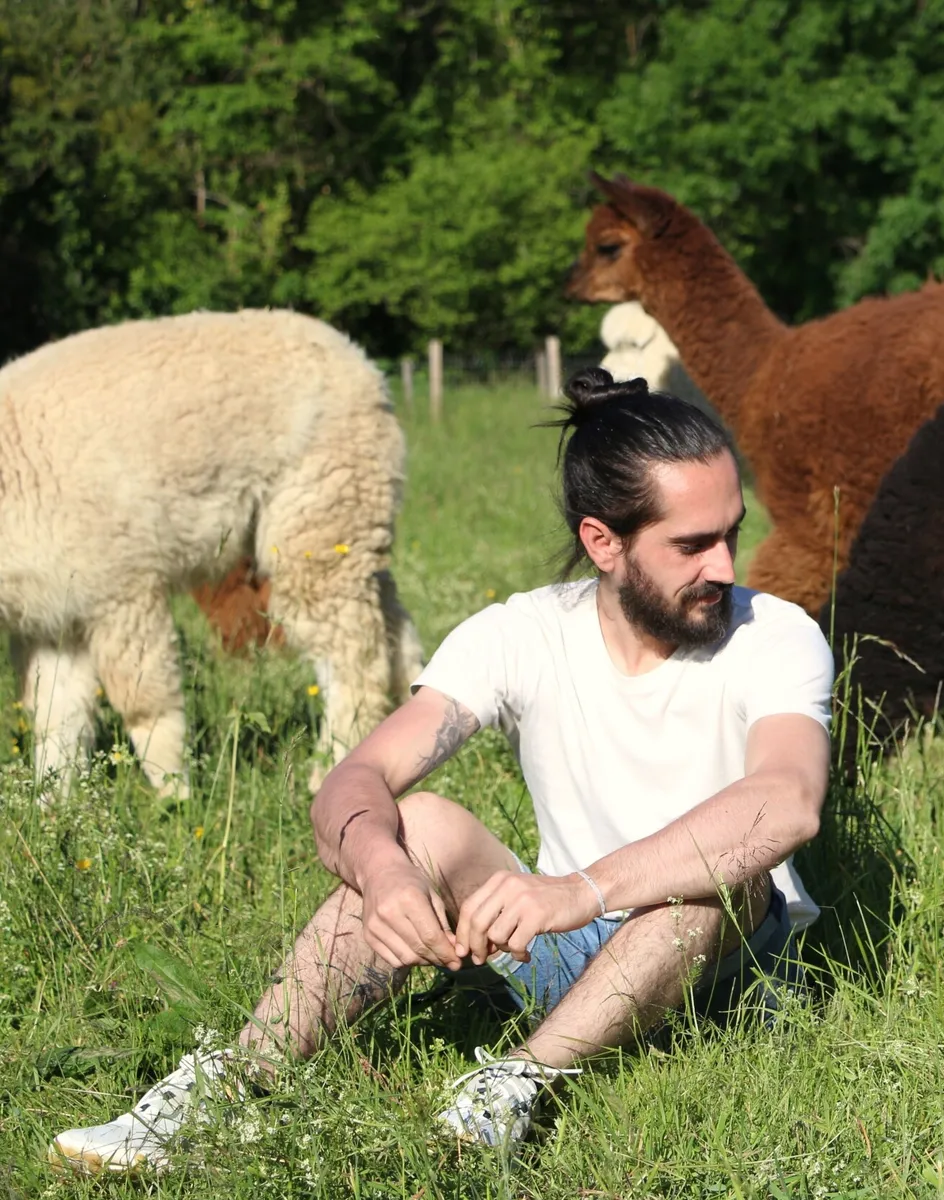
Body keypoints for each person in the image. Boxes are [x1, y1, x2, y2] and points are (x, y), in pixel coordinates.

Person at [50, 368, 834, 1172]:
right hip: (562, 947)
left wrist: (578, 888)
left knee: (715, 876)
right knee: (413, 824)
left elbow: (786, 802)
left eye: (731, 532)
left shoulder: (773, 635)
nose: (726, 567)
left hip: (729, 974)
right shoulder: (522, 632)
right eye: (692, 544)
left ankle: (517, 1081)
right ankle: (232, 1087)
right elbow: (355, 781)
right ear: (604, 542)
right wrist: (384, 872)